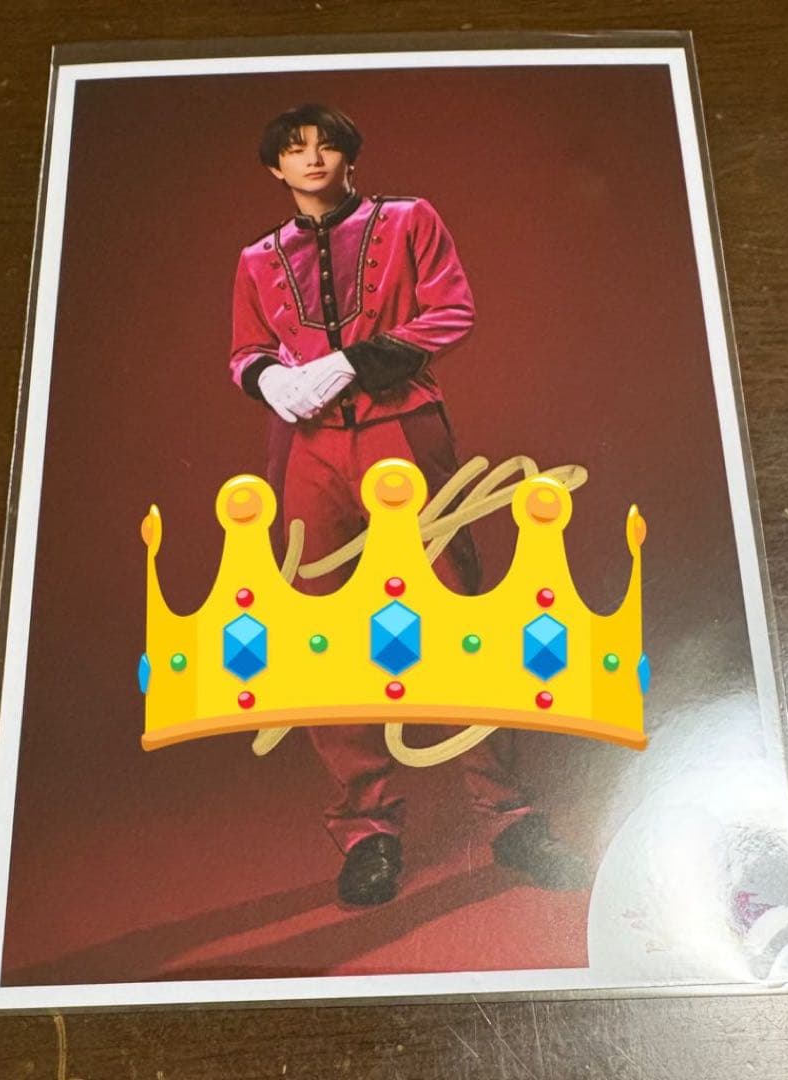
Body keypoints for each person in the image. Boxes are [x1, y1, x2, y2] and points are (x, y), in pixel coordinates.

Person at [229, 103, 587, 904]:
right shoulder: (256, 258)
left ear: (349, 156)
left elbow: (451, 310)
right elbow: (245, 350)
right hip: (310, 450)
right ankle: (366, 834)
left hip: (403, 429)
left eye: (327, 146)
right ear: (275, 168)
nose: (313, 159)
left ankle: (511, 817)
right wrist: (270, 378)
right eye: (295, 149)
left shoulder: (409, 219)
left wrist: (353, 361)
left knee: (456, 615)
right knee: (321, 629)